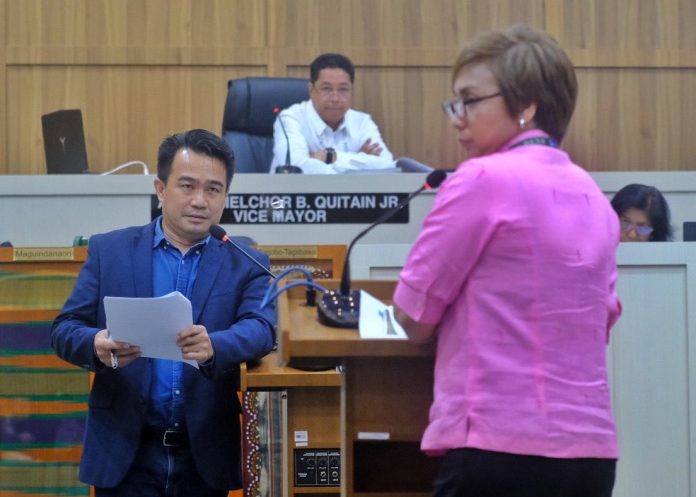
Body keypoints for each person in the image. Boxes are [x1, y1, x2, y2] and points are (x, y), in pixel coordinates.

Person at [392, 25, 622, 497]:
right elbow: (601, 321)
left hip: (498, 449)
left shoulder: (481, 180)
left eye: (470, 100)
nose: (457, 117)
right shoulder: (594, 197)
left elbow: (412, 317)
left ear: (526, 106)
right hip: (591, 455)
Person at [51, 129, 276, 497]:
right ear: (160, 189)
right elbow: (64, 329)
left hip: (203, 454)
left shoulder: (245, 260)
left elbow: (262, 328)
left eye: (213, 189)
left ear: (225, 196)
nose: (200, 201)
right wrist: (97, 343)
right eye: (187, 186)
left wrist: (215, 345)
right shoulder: (111, 251)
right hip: (127, 451)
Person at [270, 52, 394, 174]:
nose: (335, 98)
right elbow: (295, 170)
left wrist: (330, 157)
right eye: (326, 89)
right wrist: (359, 161)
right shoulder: (290, 118)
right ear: (311, 90)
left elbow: (388, 166)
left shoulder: (362, 122)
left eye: (343, 89)